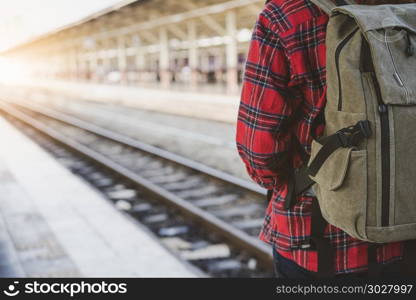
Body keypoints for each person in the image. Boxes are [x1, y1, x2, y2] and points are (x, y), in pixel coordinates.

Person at [236, 0, 416, 278]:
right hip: (408, 235)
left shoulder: (287, 15)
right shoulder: (408, 10)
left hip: (322, 242)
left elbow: (259, 153)